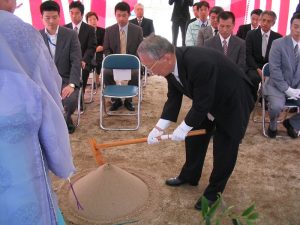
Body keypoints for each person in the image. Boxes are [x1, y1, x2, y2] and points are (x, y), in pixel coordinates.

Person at [137, 35, 255, 210]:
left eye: (150, 66)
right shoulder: (170, 66)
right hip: (208, 98)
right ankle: (190, 175)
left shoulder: (199, 63)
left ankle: (214, 193)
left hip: (234, 100)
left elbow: (201, 104)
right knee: (194, 138)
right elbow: (174, 98)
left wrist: (184, 127)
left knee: (224, 148)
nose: (150, 72)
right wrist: (159, 127)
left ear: (166, 57)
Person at [0, 2, 75, 225]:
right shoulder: (17, 30)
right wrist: (60, 158)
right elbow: (48, 93)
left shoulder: (69, 35)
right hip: (14, 144)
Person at [40, 0, 82, 134]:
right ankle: (55, 123)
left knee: (69, 101)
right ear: (42, 18)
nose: (51, 21)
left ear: (59, 16)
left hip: (66, 79)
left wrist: (72, 84)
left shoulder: (70, 34)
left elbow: (76, 61)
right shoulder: (36, 36)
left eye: (54, 17)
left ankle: (65, 119)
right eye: (47, 18)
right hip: (44, 81)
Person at [264, 13, 300, 138]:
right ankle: (273, 124)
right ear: (291, 26)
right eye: (296, 26)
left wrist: (297, 89)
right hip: (276, 85)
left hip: (297, 86)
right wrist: (287, 89)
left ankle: (291, 122)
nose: (298, 30)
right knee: (276, 107)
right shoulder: (278, 43)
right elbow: (274, 70)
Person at [103, 1, 143, 111]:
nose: (121, 18)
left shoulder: (137, 30)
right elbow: (106, 49)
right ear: (115, 15)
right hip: (114, 64)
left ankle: (129, 100)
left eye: (124, 15)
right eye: (118, 15)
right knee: (106, 72)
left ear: (129, 15)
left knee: (136, 73)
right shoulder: (109, 30)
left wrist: (132, 62)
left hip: (131, 64)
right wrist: (113, 62)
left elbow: (140, 49)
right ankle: (116, 100)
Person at [246, 10, 282, 94]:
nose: (265, 23)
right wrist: (258, 69)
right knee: (252, 78)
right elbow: (248, 55)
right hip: (254, 66)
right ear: (260, 20)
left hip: (270, 67)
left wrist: (268, 70)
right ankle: (251, 100)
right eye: (263, 20)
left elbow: (278, 58)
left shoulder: (278, 37)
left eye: (268, 21)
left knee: (273, 81)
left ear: (273, 23)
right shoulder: (251, 34)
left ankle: (265, 101)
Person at [65, 1, 96, 98]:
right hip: (68, 61)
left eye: (77, 13)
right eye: (71, 13)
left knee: (83, 69)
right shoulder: (64, 28)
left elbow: (91, 47)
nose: (74, 15)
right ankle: (67, 95)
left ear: (82, 14)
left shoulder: (90, 29)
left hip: (84, 60)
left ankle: (80, 97)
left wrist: (84, 60)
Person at [86, 11, 105, 87]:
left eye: (94, 19)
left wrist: (101, 47)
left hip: (99, 52)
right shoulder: (85, 31)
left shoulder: (103, 31)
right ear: (87, 22)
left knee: (98, 57)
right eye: (90, 20)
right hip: (88, 53)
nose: (92, 21)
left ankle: (97, 80)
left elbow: (104, 44)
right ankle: (84, 79)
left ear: (97, 20)